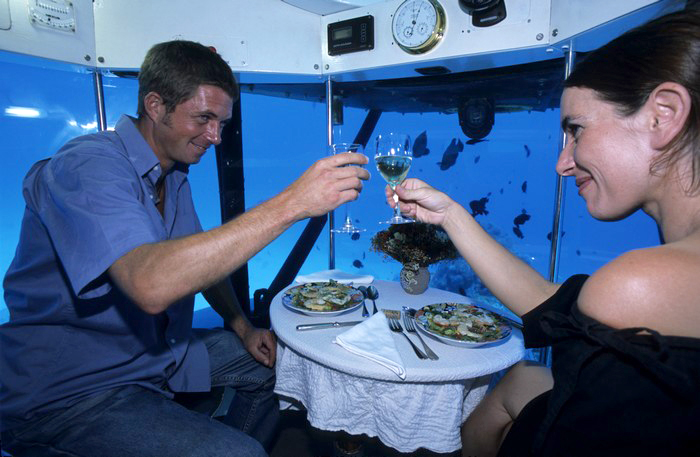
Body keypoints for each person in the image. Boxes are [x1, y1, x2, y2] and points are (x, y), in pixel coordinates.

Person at [0, 40, 369, 457]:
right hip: (71, 392)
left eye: (222, 123)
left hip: (152, 356)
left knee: (283, 370)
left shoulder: (172, 176)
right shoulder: (88, 165)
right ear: (155, 106)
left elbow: (202, 266)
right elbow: (150, 284)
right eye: (204, 118)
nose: (215, 137)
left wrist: (244, 328)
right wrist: (293, 203)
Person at [388, 8, 700, 457]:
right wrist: (450, 215)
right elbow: (550, 303)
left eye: (576, 130)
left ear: (662, 115)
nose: (562, 164)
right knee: (524, 376)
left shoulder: (636, 283)